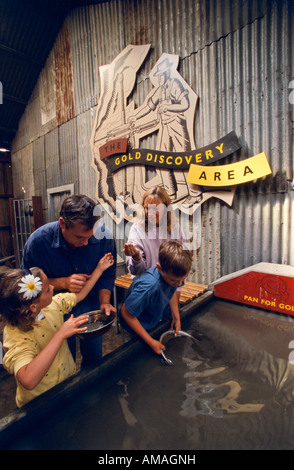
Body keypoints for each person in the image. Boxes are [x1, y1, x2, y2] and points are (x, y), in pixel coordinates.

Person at [1, 252, 114, 407]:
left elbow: (80, 294)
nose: (53, 287)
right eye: (48, 289)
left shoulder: (53, 305)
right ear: (33, 307)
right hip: (39, 404)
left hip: (64, 385)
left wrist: (100, 269)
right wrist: (60, 334)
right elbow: (28, 379)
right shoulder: (15, 335)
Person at [21, 195, 117, 367]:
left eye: (90, 236)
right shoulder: (38, 243)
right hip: (53, 309)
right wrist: (63, 283)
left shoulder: (104, 237)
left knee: (94, 357)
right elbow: (28, 285)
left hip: (90, 305)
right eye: (80, 237)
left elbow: (107, 275)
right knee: (63, 360)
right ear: (62, 224)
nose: (87, 243)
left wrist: (105, 302)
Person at [123, 186, 186, 325]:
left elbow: (179, 272)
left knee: (167, 325)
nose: (150, 213)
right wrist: (136, 258)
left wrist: (176, 314)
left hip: (169, 288)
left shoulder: (175, 229)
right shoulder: (137, 229)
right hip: (147, 291)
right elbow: (136, 271)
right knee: (146, 328)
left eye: (156, 208)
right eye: (147, 208)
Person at [120, 240, 192, 356]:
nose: (179, 284)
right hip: (135, 326)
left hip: (152, 319)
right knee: (137, 358)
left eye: (181, 280)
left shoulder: (173, 277)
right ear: (159, 268)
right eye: (174, 280)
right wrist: (150, 341)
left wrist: (176, 316)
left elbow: (172, 290)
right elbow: (126, 313)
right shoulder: (149, 287)